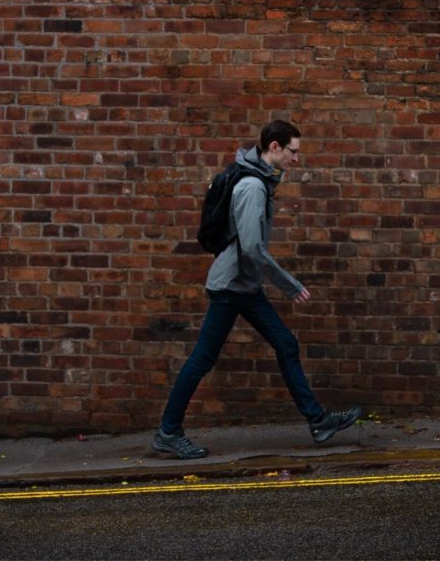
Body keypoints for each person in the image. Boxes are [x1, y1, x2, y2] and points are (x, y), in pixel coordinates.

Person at [153, 120, 361, 459]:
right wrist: (289, 285)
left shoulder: (259, 179)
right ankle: (168, 431)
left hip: (244, 285)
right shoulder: (252, 186)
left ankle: (319, 421)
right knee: (203, 359)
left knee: (285, 344)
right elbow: (251, 247)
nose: (297, 159)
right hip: (232, 286)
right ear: (274, 148)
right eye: (293, 151)